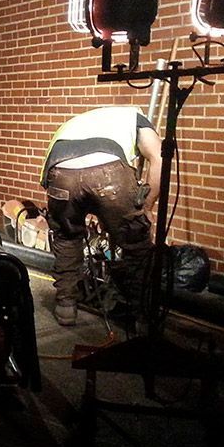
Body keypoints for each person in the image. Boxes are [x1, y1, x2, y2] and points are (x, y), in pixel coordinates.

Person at [41, 106, 162, 326]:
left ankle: (66, 306)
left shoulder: (76, 123)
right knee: (136, 245)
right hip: (109, 174)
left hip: (60, 172)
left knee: (67, 238)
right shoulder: (136, 118)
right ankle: (142, 315)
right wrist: (148, 206)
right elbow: (159, 158)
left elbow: (53, 174)